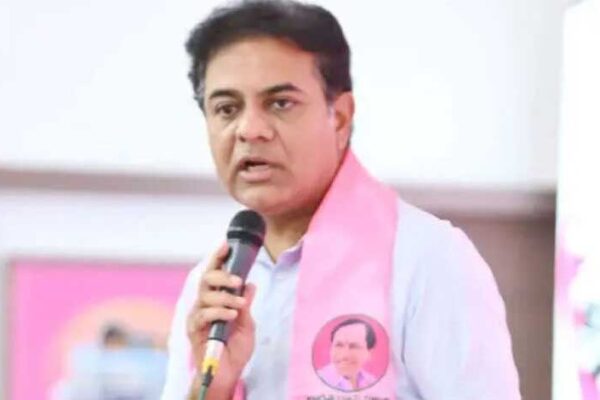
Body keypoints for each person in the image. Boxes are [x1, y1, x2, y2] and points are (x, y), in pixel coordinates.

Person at [161, 1, 521, 399]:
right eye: (227, 109)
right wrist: (214, 386)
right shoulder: (212, 290)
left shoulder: (427, 259)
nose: (249, 129)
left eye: (280, 103)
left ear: (341, 116)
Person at [317, 318, 378, 392]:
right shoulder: (315, 381)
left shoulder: (373, 382)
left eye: (354, 346)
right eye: (339, 345)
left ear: (369, 353)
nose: (344, 355)